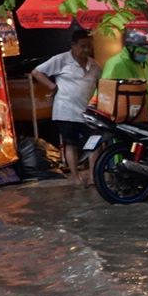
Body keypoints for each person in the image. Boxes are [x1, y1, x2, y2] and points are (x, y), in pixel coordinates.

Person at [32, 28, 100, 186]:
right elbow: (36, 72)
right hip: (66, 111)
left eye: (89, 46)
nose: (86, 50)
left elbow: (101, 83)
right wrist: (52, 86)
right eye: (83, 46)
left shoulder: (94, 65)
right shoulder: (61, 59)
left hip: (88, 111)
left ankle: (92, 176)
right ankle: (75, 177)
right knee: (71, 144)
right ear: (73, 46)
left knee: (95, 142)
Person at [101, 29, 148, 122]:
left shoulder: (145, 61)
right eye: (141, 52)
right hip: (123, 116)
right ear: (130, 49)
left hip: (145, 111)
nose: (144, 55)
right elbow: (105, 91)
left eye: (146, 53)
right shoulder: (116, 64)